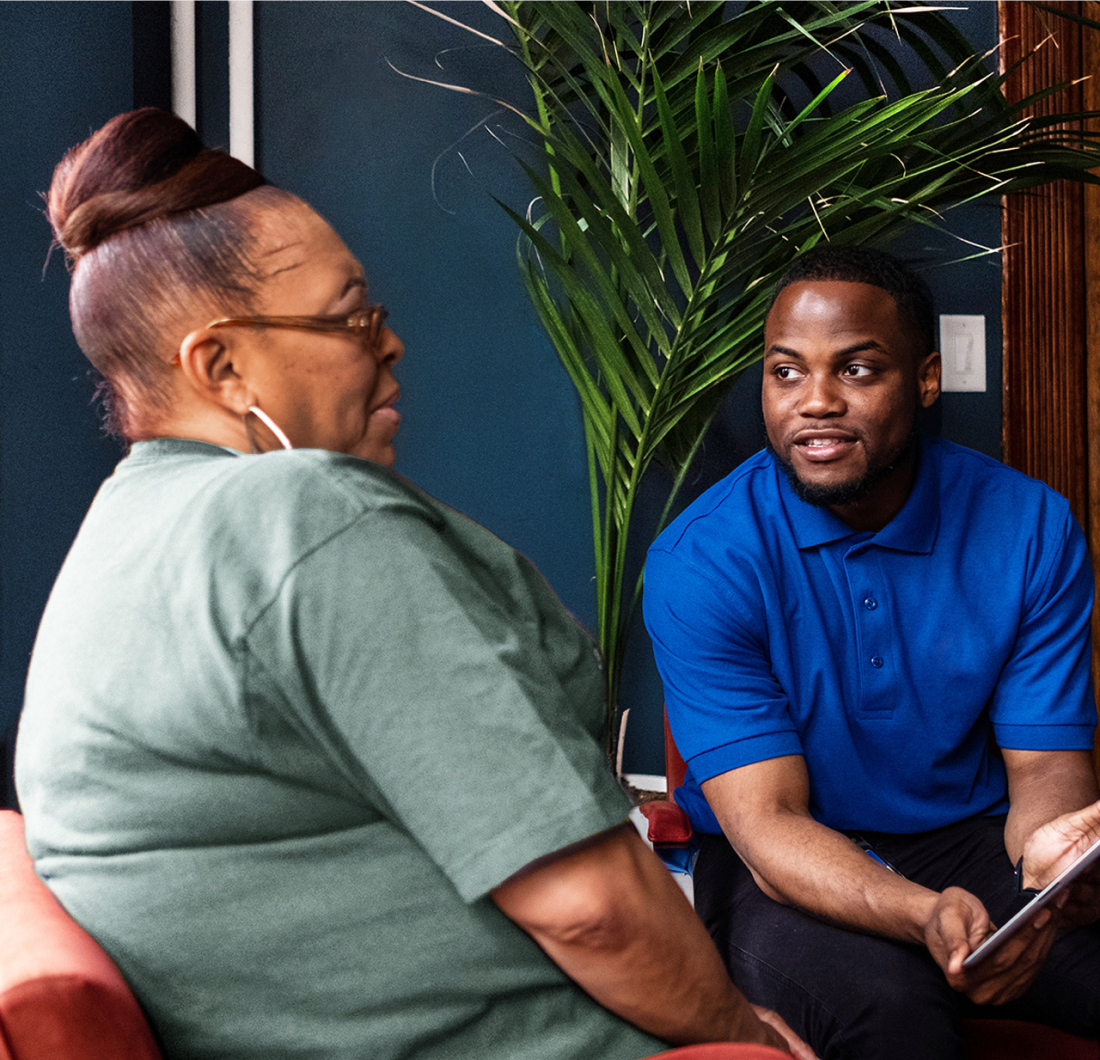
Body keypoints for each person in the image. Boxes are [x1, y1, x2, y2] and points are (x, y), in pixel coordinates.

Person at [13, 108, 814, 1060]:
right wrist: (742, 1036)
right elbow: (591, 909)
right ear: (221, 365)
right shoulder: (303, 515)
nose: (387, 345)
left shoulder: (123, 532)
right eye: (349, 315)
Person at [643, 246, 1100, 1060]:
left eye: (856, 370)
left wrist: (1046, 880)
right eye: (786, 373)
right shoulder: (701, 559)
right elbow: (771, 826)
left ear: (924, 381)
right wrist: (920, 913)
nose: (814, 402)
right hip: (779, 865)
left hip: (966, 834)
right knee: (893, 1014)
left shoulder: (1031, 526)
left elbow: (1045, 768)